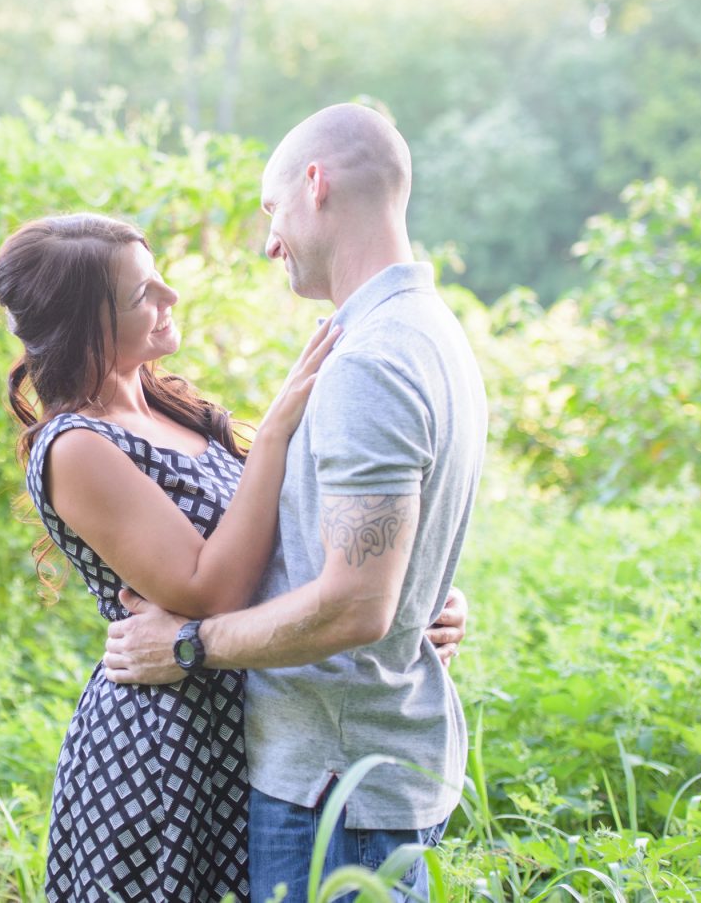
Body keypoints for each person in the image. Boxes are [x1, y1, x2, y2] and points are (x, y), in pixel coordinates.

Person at [0, 211, 469, 902]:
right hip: (165, 754)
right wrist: (273, 431)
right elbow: (208, 588)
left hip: (244, 727)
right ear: (81, 324)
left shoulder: (168, 406)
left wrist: (404, 593)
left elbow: (291, 541)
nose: (170, 300)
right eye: (141, 296)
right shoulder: (77, 447)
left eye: (159, 282)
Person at [101, 103, 489, 903]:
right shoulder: (427, 330)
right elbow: (378, 576)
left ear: (315, 186)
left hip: (336, 791)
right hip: (370, 773)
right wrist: (417, 604)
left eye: (272, 210)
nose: (268, 241)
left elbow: (354, 607)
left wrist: (186, 645)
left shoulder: (371, 362)